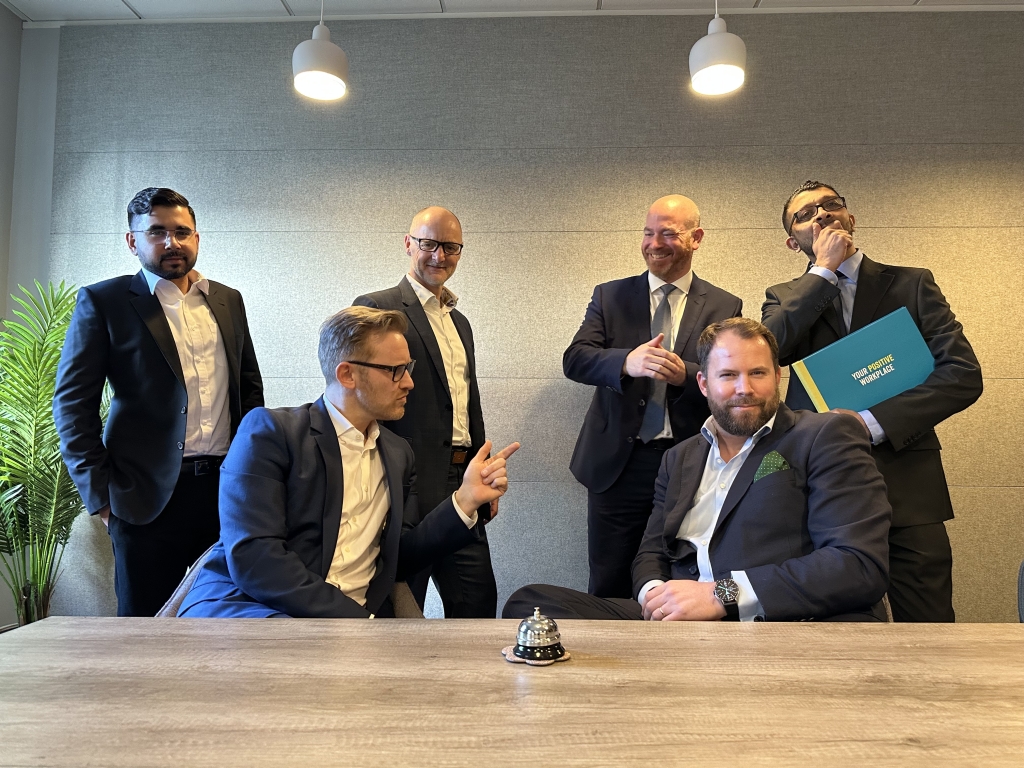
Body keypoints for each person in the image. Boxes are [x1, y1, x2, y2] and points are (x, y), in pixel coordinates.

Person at [504, 318, 891, 622]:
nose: (744, 388)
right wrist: (656, 597)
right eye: (728, 375)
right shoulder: (680, 457)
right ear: (703, 384)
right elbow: (651, 551)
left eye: (757, 373)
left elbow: (858, 565)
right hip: (679, 621)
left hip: (770, 620)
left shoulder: (823, 435)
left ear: (777, 377)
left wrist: (720, 595)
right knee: (530, 604)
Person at [177, 307, 520, 619]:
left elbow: (400, 558)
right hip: (253, 607)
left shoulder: (399, 454)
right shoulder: (272, 432)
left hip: (350, 624)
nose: (409, 382)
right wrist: (357, 623)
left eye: (408, 368)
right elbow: (256, 559)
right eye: (396, 370)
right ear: (347, 375)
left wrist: (464, 501)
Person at [762, 181, 982, 623]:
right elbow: (772, 351)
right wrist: (823, 271)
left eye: (830, 205)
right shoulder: (783, 297)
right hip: (819, 488)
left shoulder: (912, 283)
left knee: (929, 627)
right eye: (805, 214)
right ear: (792, 242)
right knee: (833, 628)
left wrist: (869, 422)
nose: (821, 214)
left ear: (851, 218)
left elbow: (962, 374)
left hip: (908, 486)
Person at [53, 187, 264, 617]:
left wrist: (256, 478)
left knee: (226, 623)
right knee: (144, 631)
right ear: (133, 241)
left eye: (182, 232)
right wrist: (103, 499)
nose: (172, 242)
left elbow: (249, 391)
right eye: (157, 232)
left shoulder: (228, 300)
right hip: (143, 501)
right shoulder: (105, 302)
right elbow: (73, 406)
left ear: (196, 237)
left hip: (225, 495)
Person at [564, 194, 743, 599]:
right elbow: (575, 360)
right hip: (617, 465)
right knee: (608, 581)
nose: (654, 243)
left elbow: (730, 379)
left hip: (688, 464)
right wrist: (625, 361)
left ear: (696, 238)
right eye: (648, 233)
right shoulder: (610, 296)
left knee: (678, 577)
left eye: (668, 233)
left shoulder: (724, 304)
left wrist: (687, 375)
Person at [352, 207, 498, 617]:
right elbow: (362, 396)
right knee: (403, 606)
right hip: (408, 482)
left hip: (461, 479)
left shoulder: (460, 322)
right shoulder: (378, 306)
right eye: (429, 244)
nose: (439, 255)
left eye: (450, 247)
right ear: (408, 244)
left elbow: (466, 402)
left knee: (477, 604)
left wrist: (480, 469)